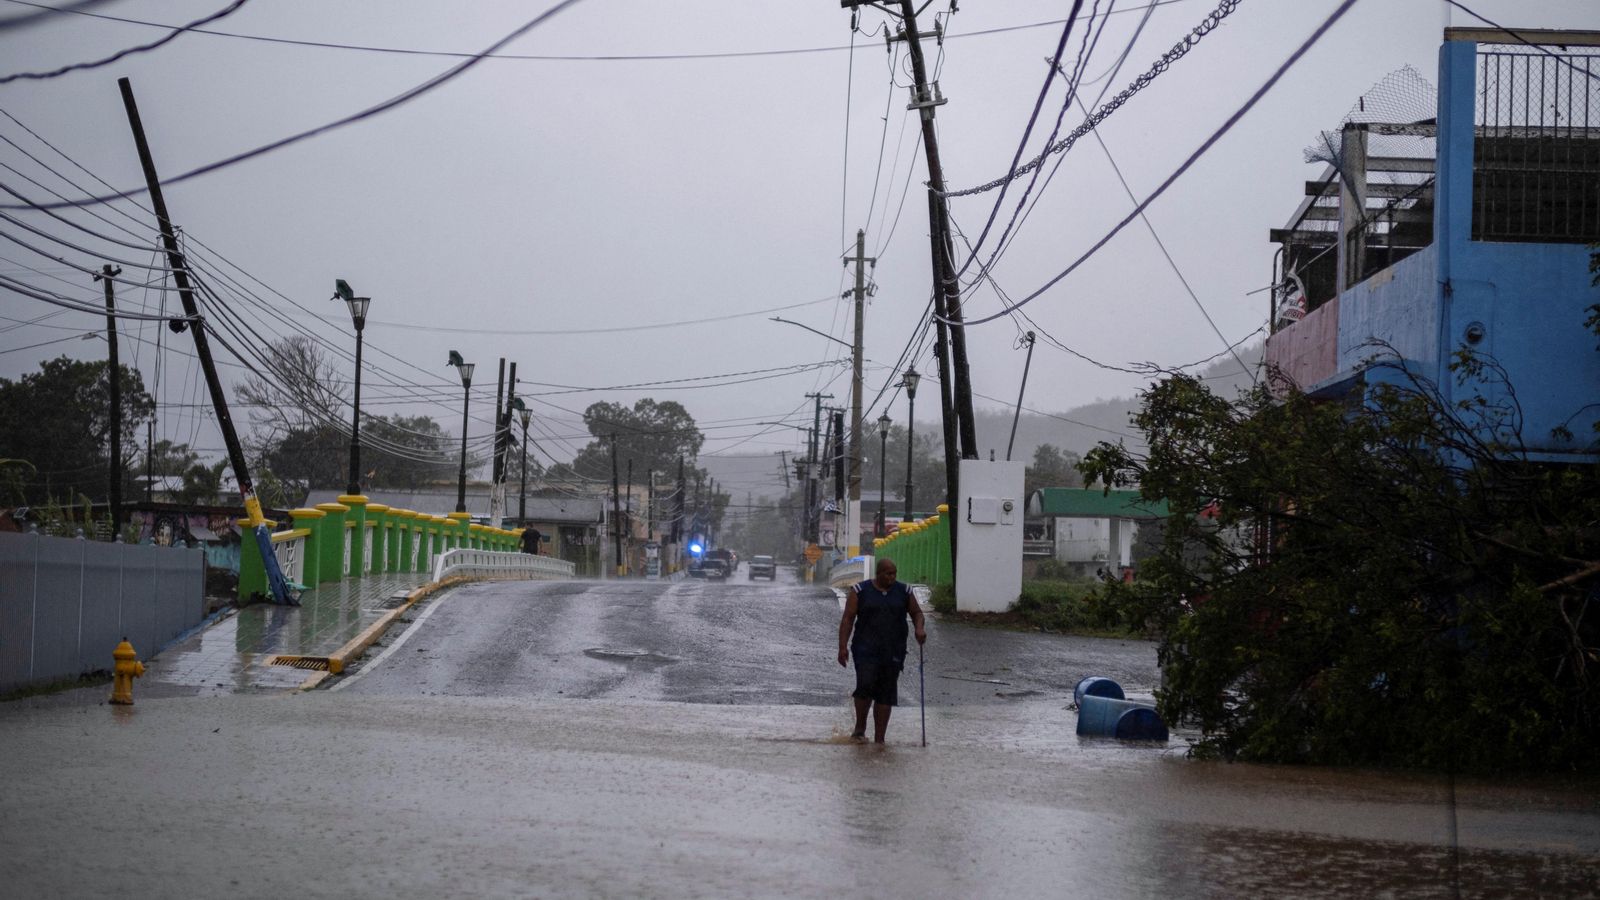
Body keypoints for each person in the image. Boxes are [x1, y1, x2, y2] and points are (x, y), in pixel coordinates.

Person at [837, 557, 926, 743]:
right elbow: (848, 619)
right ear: (878, 574)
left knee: (886, 692)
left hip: (893, 649)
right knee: (865, 685)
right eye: (888, 574)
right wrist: (842, 646)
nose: (892, 578)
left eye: (894, 574)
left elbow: (917, 612)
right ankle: (860, 730)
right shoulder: (860, 591)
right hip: (865, 648)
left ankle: (880, 740)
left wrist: (919, 628)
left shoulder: (904, 591)